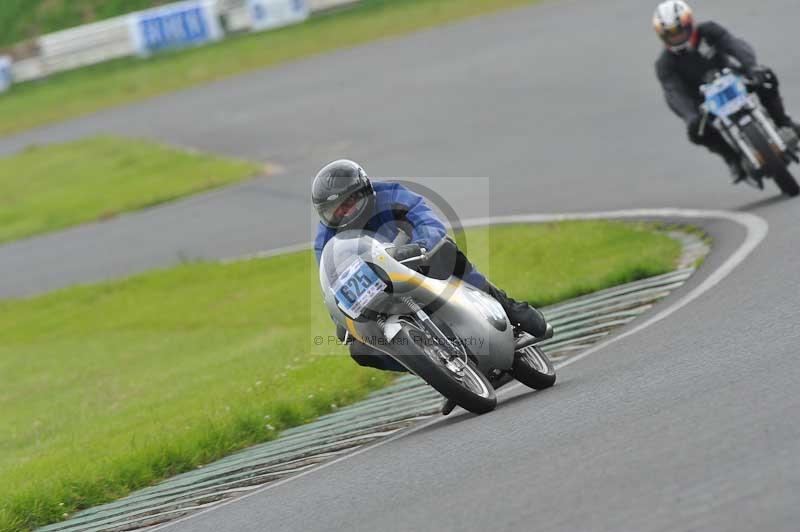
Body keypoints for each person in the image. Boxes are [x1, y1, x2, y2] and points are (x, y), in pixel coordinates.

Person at [312, 159, 551, 380]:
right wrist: (342, 318)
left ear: (363, 192)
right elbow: (332, 280)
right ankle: (437, 369)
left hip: (414, 262)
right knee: (360, 350)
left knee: (445, 250)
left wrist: (422, 245)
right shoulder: (325, 241)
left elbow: (425, 218)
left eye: (347, 204)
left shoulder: (390, 194)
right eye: (333, 209)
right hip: (379, 290)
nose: (342, 213)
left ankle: (509, 308)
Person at [652, 0, 799, 182]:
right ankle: (733, 159)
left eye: (679, 30)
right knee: (696, 132)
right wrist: (690, 116)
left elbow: (734, 45)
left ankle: (783, 122)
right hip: (704, 103)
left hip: (733, 80)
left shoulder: (709, 31)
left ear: (689, 23)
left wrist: (752, 67)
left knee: (766, 78)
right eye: (670, 34)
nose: (676, 37)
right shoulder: (665, 64)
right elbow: (673, 93)